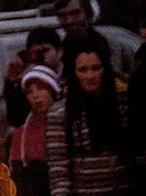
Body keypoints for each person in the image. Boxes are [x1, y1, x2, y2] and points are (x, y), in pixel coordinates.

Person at [48, 38, 133, 196]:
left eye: (96, 68)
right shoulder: (60, 113)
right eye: (83, 70)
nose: (90, 76)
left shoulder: (124, 104)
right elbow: (59, 169)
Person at [10, 65, 60, 196]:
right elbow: (17, 179)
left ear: (53, 90)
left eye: (41, 88)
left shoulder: (68, 124)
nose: (35, 95)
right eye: (29, 92)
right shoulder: (21, 134)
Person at [10, 27, 68, 128]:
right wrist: (11, 82)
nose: (40, 56)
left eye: (45, 50)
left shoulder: (74, 75)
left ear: (60, 51)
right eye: (35, 52)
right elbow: (17, 120)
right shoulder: (26, 82)